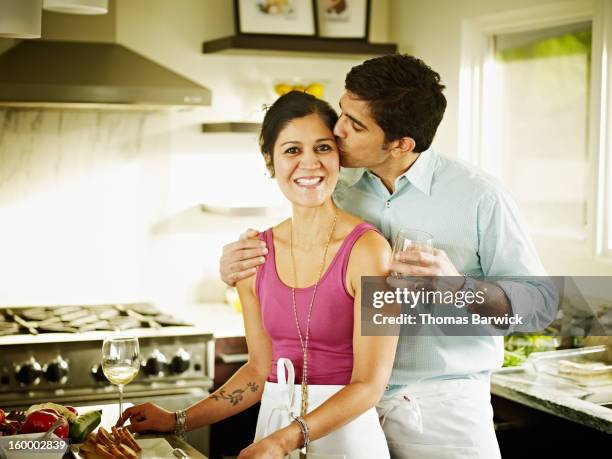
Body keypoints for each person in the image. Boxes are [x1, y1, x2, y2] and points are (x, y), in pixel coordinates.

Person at [220, 54, 558, 459]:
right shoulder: (334, 179)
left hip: (440, 409)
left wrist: (458, 288)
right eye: (342, 112)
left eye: (355, 124)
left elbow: (539, 307)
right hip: (343, 407)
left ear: (401, 144)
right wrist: (240, 265)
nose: (338, 129)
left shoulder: (480, 197)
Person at [117, 91, 398, 458]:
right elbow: (257, 371)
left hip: (344, 439)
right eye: (292, 150)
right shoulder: (255, 256)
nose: (310, 164)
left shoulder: (371, 252)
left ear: (339, 157)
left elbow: (370, 385)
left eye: (323, 148)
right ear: (270, 162)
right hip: (272, 434)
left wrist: (285, 439)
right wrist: (177, 420)